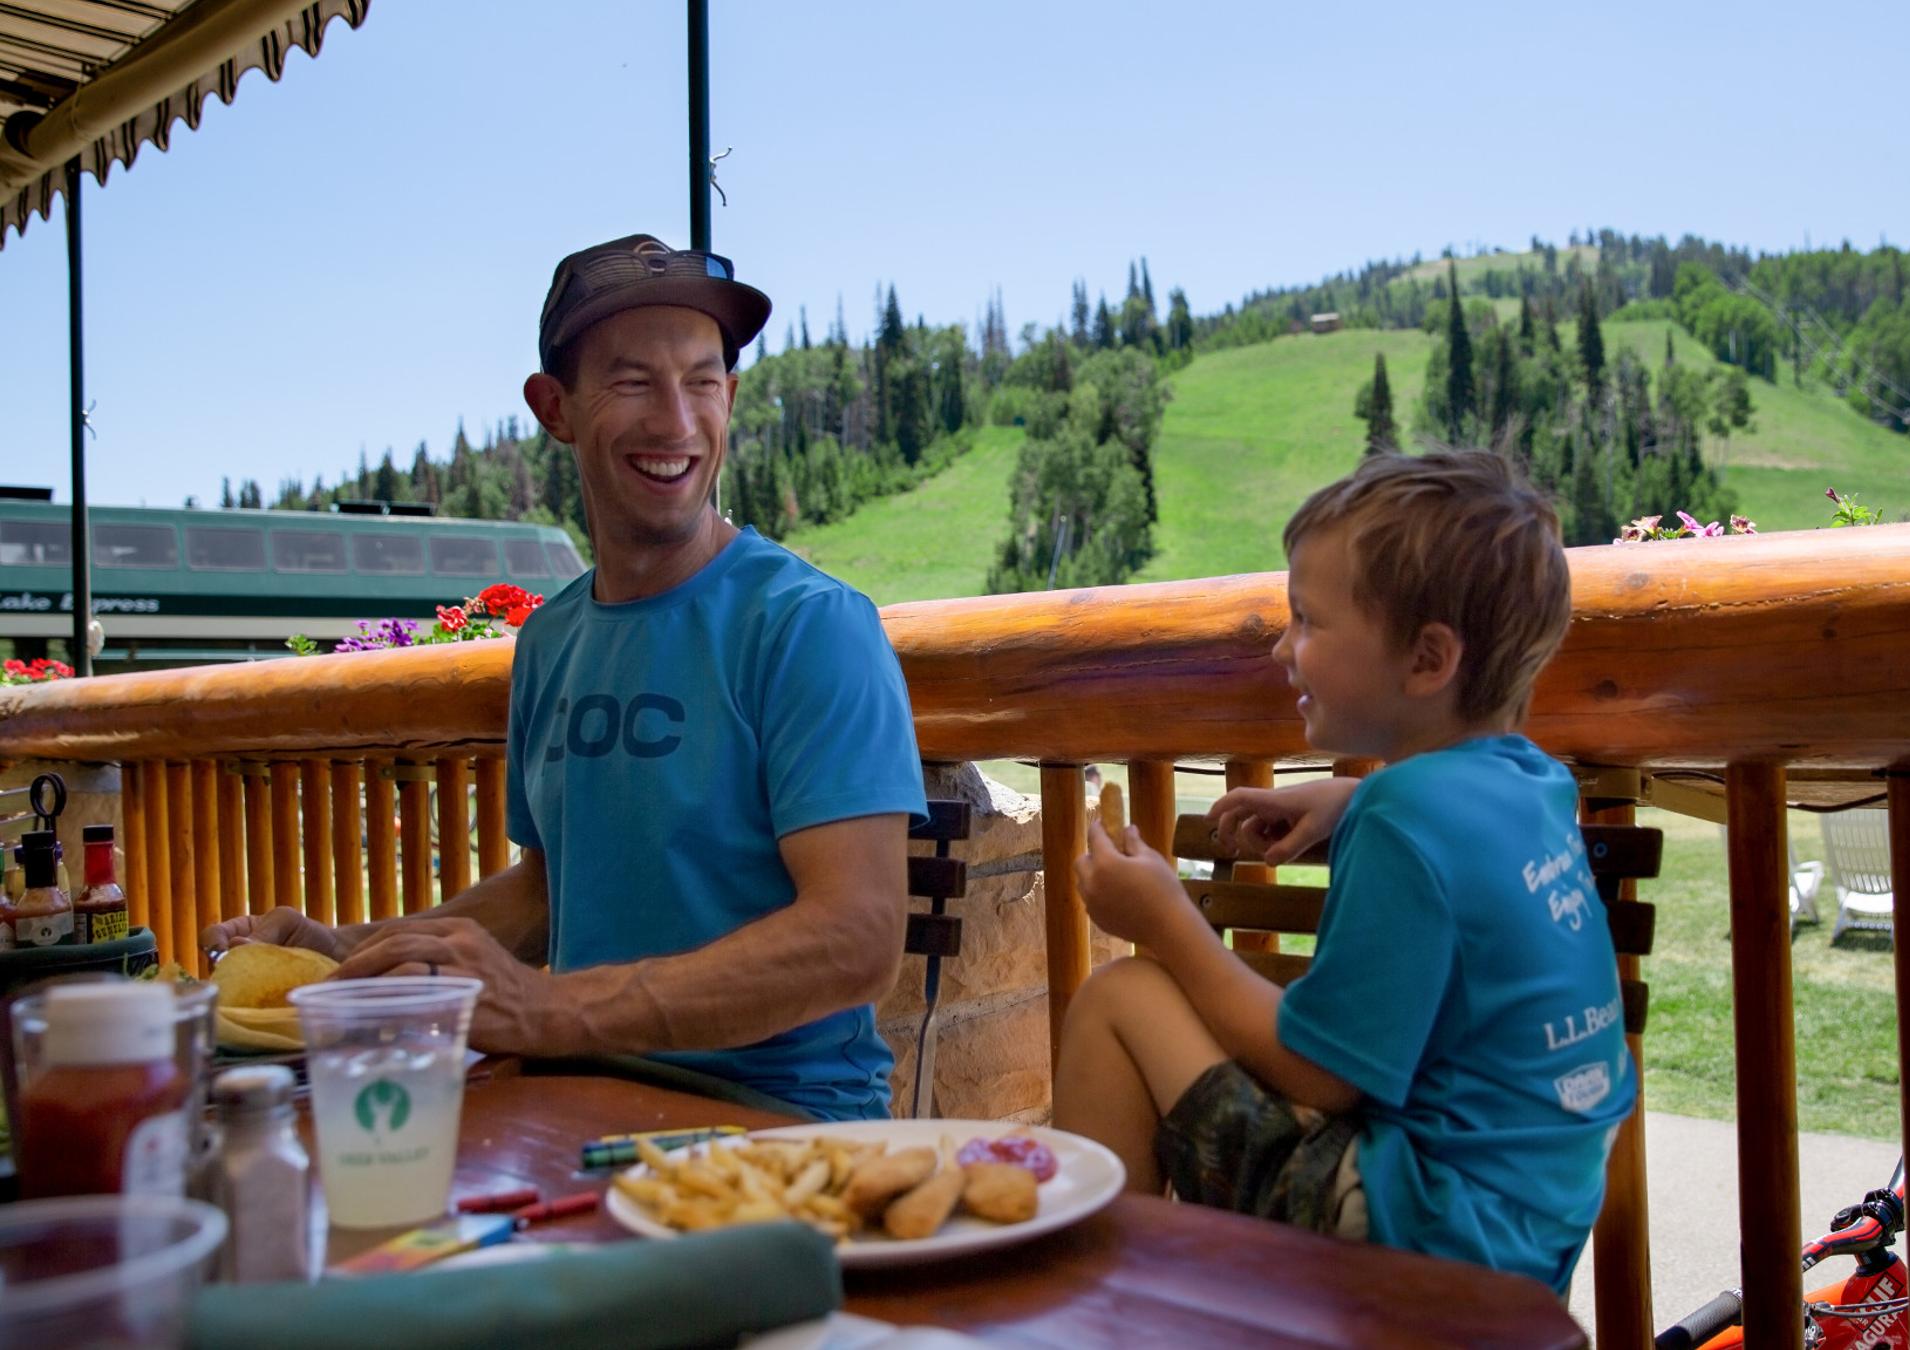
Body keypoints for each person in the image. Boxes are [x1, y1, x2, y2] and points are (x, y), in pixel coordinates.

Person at [201, 235, 926, 1119]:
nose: (676, 421)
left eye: (702, 381)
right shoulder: (552, 640)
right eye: (632, 381)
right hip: (575, 1101)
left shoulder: (810, 626)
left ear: (730, 397)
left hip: (779, 1124)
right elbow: (551, 889)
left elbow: (857, 938)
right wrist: (346, 951)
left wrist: (543, 1011)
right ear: (555, 408)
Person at [1054, 450, 1634, 1293]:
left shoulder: (1407, 816)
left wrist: (1167, 922)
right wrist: (1349, 807)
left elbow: (1324, 1077)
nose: (1283, 645)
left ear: (1429, 661)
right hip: (1528, 1222)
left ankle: (1113, 1315)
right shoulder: (1531, 781)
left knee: (1120, 1000)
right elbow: (1461, 869)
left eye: (1308, 622)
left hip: (1416, 1234)